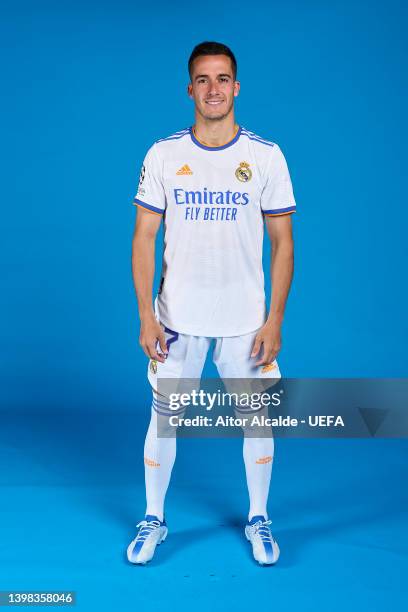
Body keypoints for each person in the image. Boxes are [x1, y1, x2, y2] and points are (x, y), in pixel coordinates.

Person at [127, 41, 296, 566]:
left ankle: (259, 518)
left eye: (223, 79)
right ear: (190, 89)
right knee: (164, 420)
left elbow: (283, 242)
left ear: (236, 86)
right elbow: (143, 236)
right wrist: (144, 314)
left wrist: (275, 319)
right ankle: (154, 517)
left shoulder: (265, 156)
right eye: (203, 80)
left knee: (257, 421)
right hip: (178, 320)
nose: (214, 89)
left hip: (246, 323)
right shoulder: (164, 155)